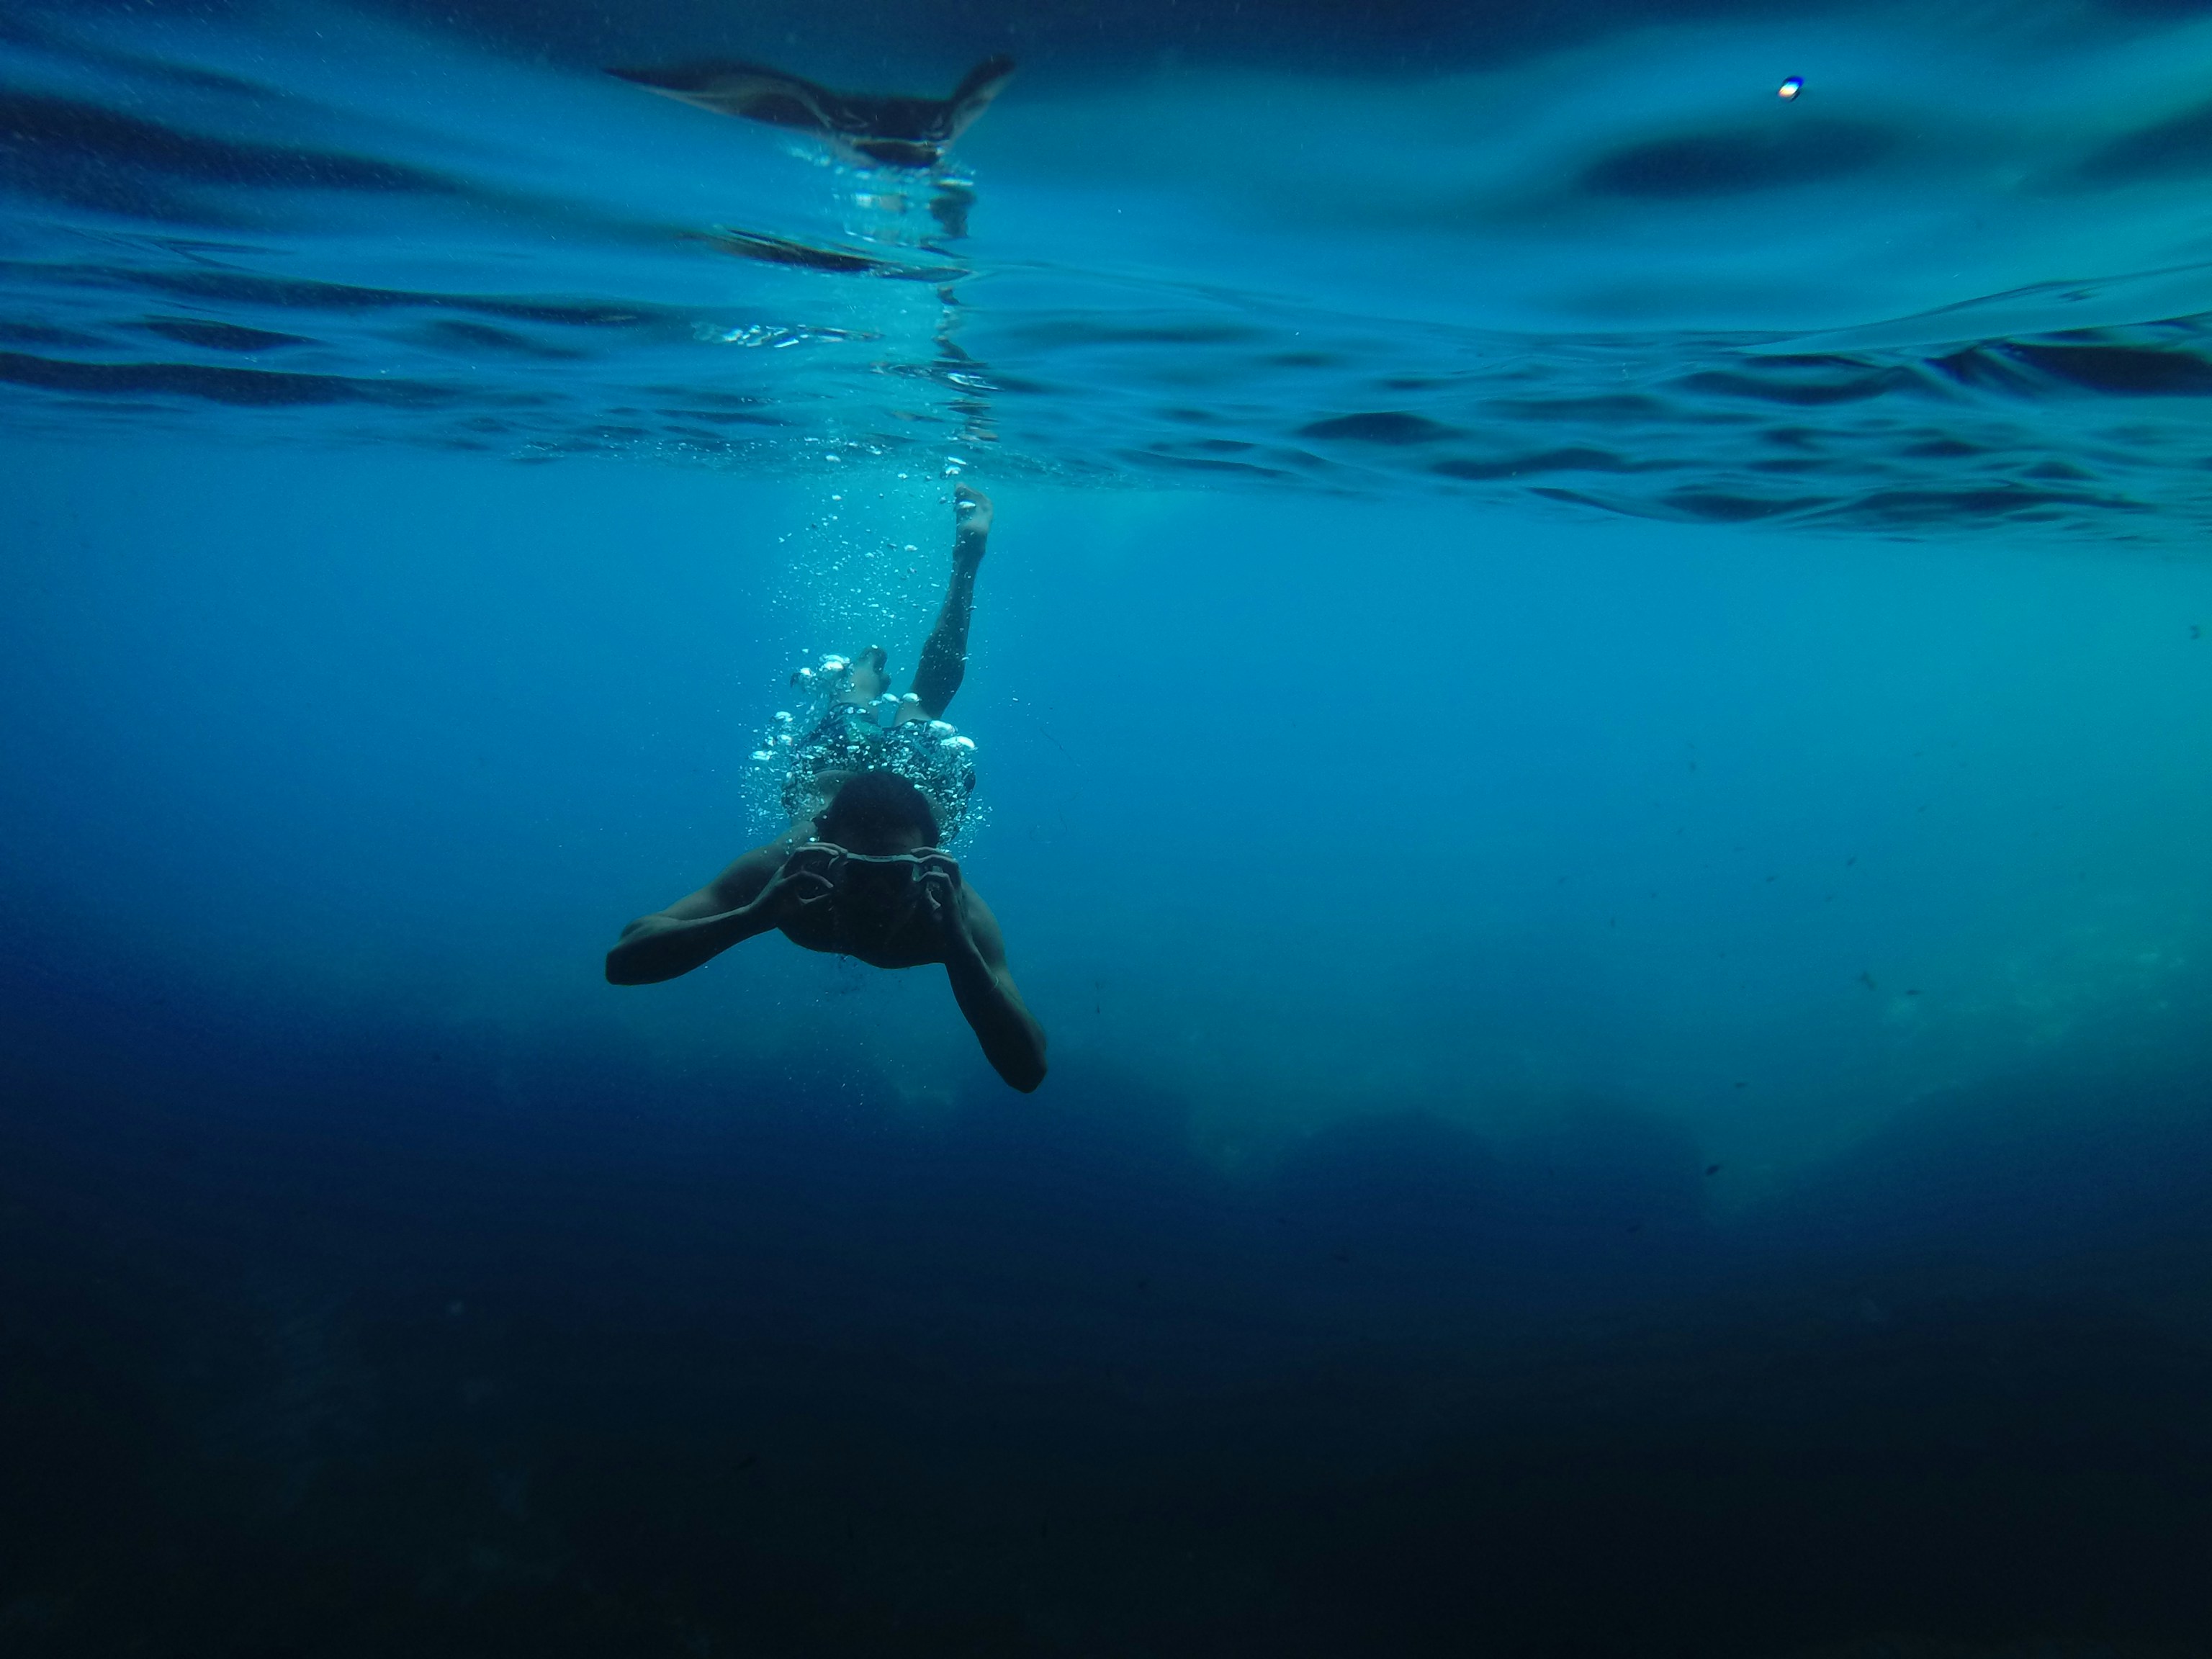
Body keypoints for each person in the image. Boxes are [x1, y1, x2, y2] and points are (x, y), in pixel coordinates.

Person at [605, 486, 1047, 1093]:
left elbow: (1029, 1070)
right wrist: (750, 917)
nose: (872, 892)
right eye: (856, 869)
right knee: (882, 714)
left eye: (894, 873)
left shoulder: (952, 910)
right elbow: (622, 963)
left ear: (931, 859)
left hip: (903, 783)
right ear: (822, 844)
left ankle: (954, 577)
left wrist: (957, 948)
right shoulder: (790, 870)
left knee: (914, 713)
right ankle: (861, 684)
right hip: (831, 788)